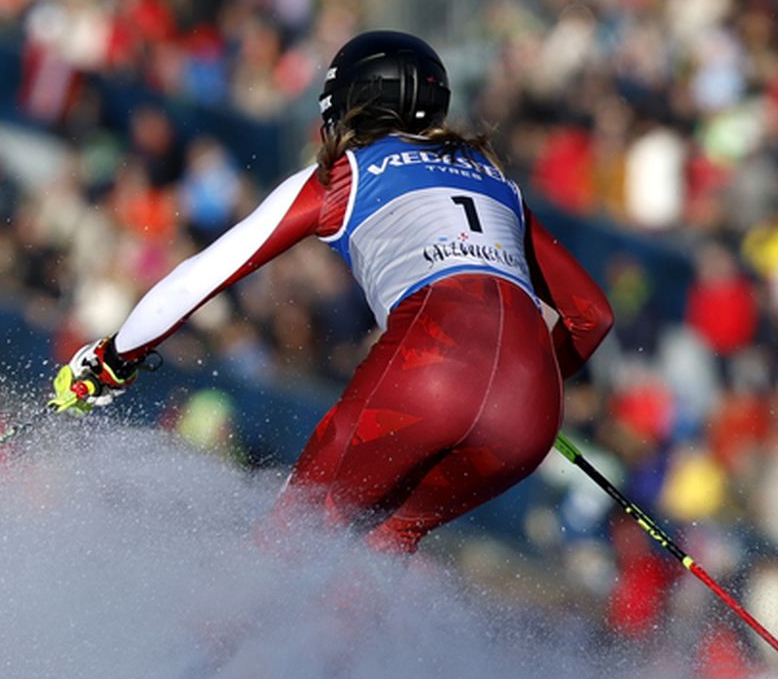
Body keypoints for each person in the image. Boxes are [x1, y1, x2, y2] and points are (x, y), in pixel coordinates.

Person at [52, 30, 614, 551]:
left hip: (431, 371)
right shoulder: (496, 182)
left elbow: (206, 272)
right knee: (383, 545)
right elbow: (591, 316)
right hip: (530, 408)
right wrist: (518, 385)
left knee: (289, 543)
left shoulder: (348, 172)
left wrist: (112, 357)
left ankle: (204, 659)